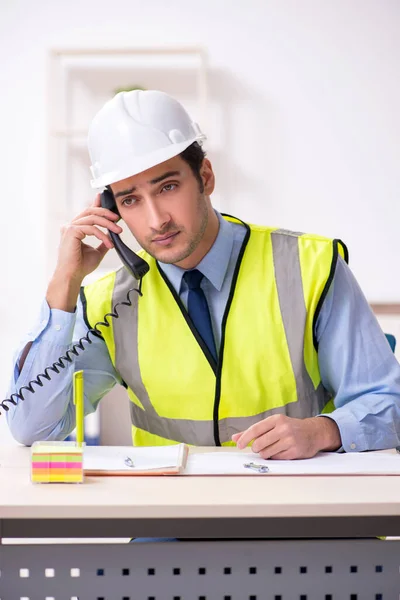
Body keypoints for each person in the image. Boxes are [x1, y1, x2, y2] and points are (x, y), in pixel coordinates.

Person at [5, 90, 400, 458]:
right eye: (130, 200)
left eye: (168, 187)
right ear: (112, 212)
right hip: (173, 520)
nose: (156, 220)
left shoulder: (311, 266)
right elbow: (32, 427)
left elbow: (389, 402)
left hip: (299, 507)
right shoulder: (110, 302)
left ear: (205, 177)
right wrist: (64, 284)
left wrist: (323, 430)